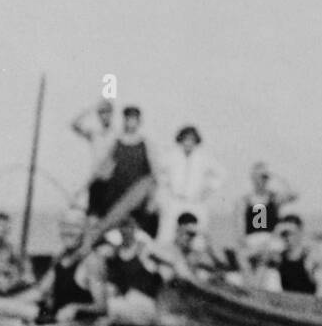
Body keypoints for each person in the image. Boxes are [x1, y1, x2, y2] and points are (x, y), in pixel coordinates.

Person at [35, 207, 106, 322]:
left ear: (84, 230)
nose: (68, 231)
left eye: (75, 226)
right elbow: (39, 292)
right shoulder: (59, 258)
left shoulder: (92, 261)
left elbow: (102, 307)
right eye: (65, 226)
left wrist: (76, 308)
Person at [99, 106, 159, 237]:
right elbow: (105, 168)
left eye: (134, 119)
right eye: (128, 119)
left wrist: (151, 198)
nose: (130, 122)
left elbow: (154, 173)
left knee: (138, 230)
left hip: (138, 196)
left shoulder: (145, 143)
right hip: (118, 195)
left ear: (139, 121)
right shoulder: (116, 141)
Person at [159, 125, 225, 240]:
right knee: (168, 232)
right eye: (186, 139)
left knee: (198, 233)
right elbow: (159, 172)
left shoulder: (203, 157)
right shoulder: (171, 156)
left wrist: (207, 190)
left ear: (196, 141)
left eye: (192, 140)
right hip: (175, 200)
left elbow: (221, 173)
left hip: (196, 201)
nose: (188, 143)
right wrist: (167, 187)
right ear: (181, 140)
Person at [103, 216, 166, 324]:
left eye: (129, 227)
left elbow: (162, 277)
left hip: (144, 304)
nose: (126, 231)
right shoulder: (115, 254)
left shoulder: (146, 249)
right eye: (123, 227)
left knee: (114, 305)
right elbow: (111, 287)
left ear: (135, 228)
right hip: (124, 303)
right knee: (109, 304)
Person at [71, 100, 119, 217]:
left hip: (112, 179)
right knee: (93, 213)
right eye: (101, 113)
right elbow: (74, 125)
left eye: (107, 112)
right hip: (96, 178)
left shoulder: (117, 134)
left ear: (111, 114)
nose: (105, 116)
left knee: (110, 213)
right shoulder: (94, 133)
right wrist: (87, 110)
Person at [239, 162, 297, 244]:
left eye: (264, 177)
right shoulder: (245, 201)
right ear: (253, 178)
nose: (262, 180)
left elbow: (293, 195)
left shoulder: (273, 198)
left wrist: (278, 176)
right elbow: (240, 228)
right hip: (252, 241)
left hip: (272, 239)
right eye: (259, 177)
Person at [0, 212, 30, 294]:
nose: (0, 229)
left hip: (13, 291)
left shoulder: (15, 251)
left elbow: (28, 276)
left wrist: (14, 279)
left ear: (8, 230)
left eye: (3, 226)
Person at [274, 212, 316, 295]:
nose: (287, 237)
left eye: (291, 233)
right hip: (287, 302)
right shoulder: (278, 258)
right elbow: (255, 284)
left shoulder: (311, 256)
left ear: (300, 232)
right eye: (284, 234)